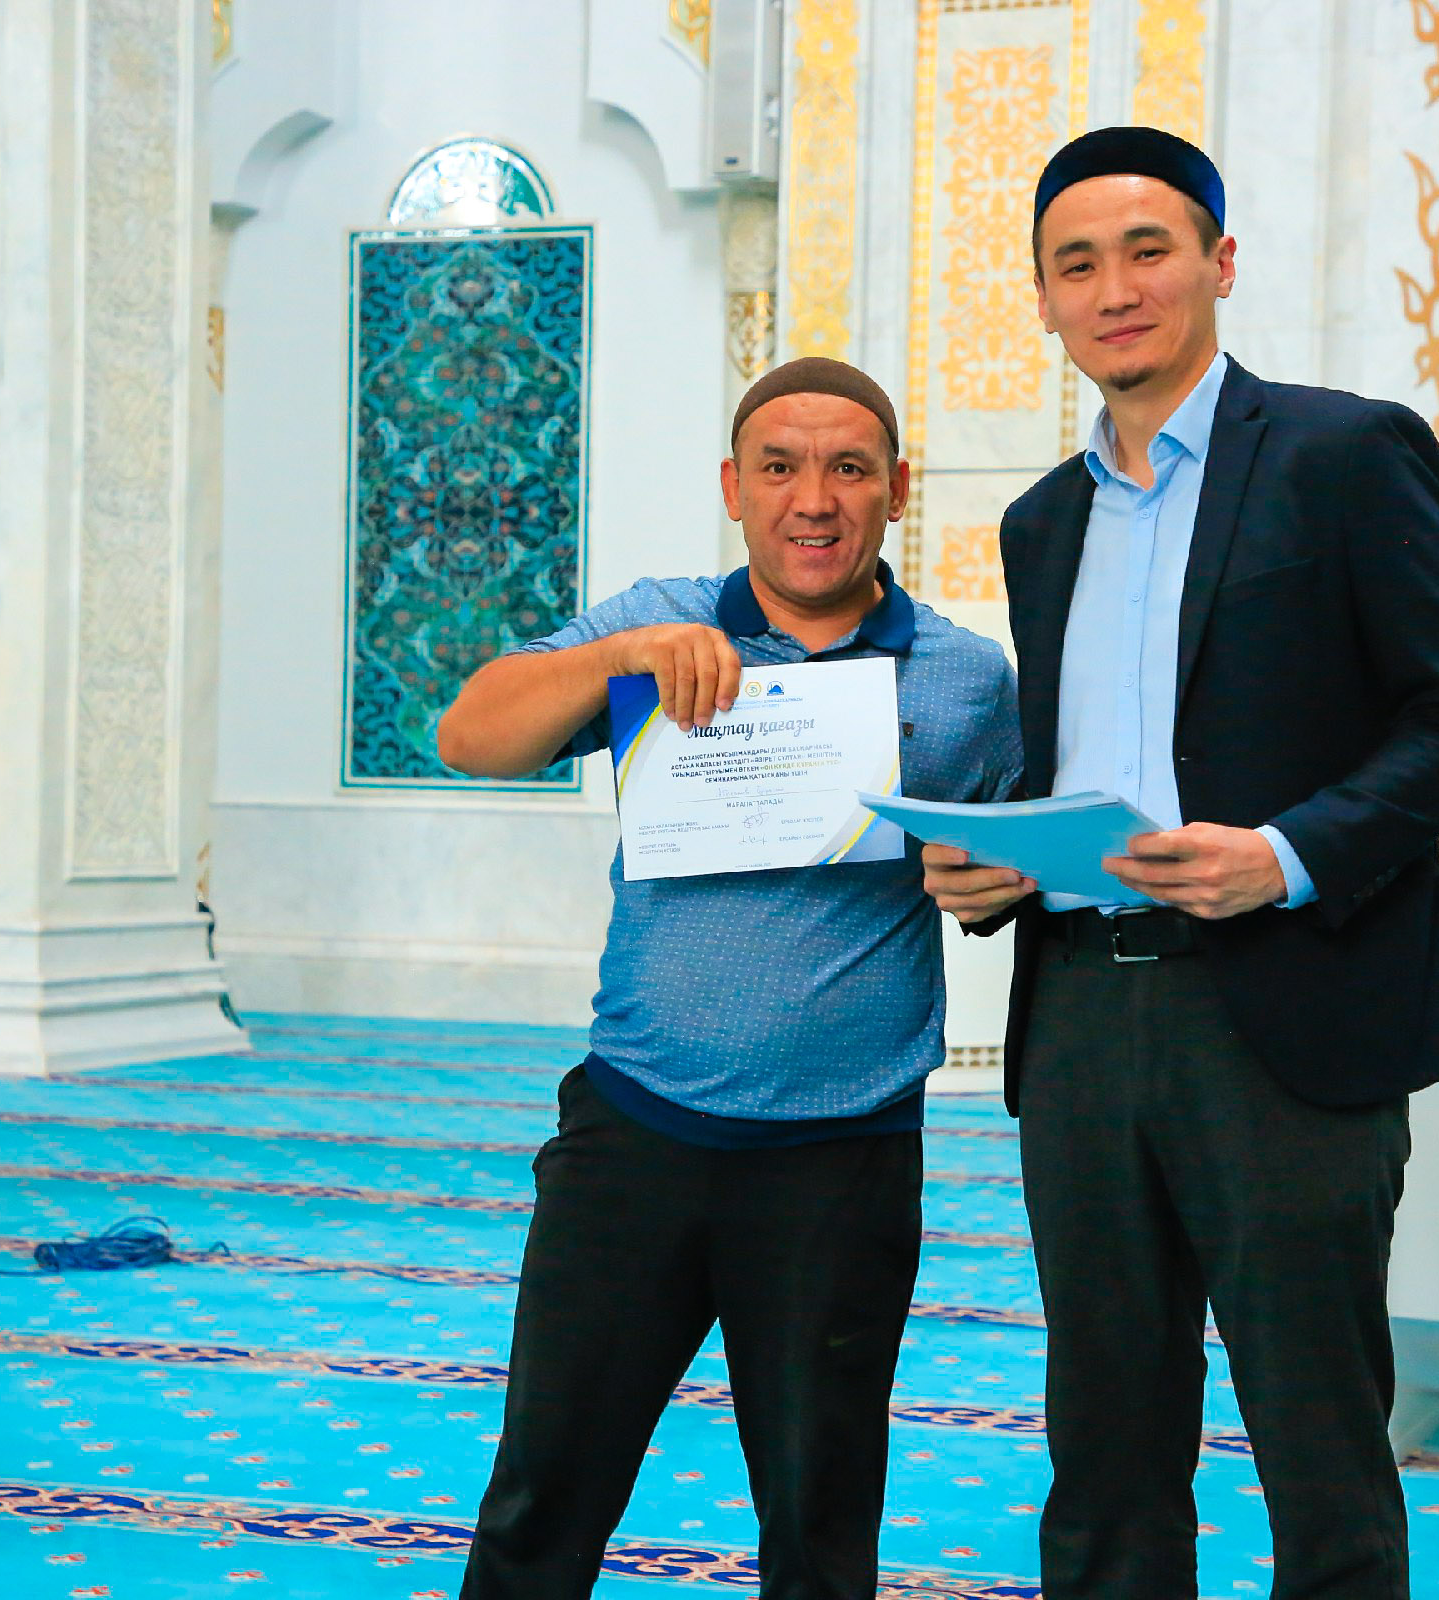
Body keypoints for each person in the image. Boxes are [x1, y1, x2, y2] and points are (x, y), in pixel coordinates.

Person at [921, 127, 1439, 1599]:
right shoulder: (1042, 521)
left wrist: (1288, 855)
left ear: (1218, 263)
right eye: (1077, 265)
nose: (1114, 288)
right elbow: (1084, 758)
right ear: (1045, 299)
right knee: (1105, 1443)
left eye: (1148, 250)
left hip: (1284, 1013)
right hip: (1081, 1021)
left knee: (1318, 1443)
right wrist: (999, 860)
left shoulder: (1342, 453)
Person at [439, 356, 1022, 1599]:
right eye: (780, 467)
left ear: (897, 491)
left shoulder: (967, 680)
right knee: (543, 1498)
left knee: (821, 1527)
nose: (814, 498)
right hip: (633, 1137)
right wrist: (624, 657)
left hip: (843, 1161)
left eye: (849, 469)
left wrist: (998, 883)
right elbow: (470, 732)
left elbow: (1011, 865)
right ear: (734, 487)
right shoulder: (656, 626)